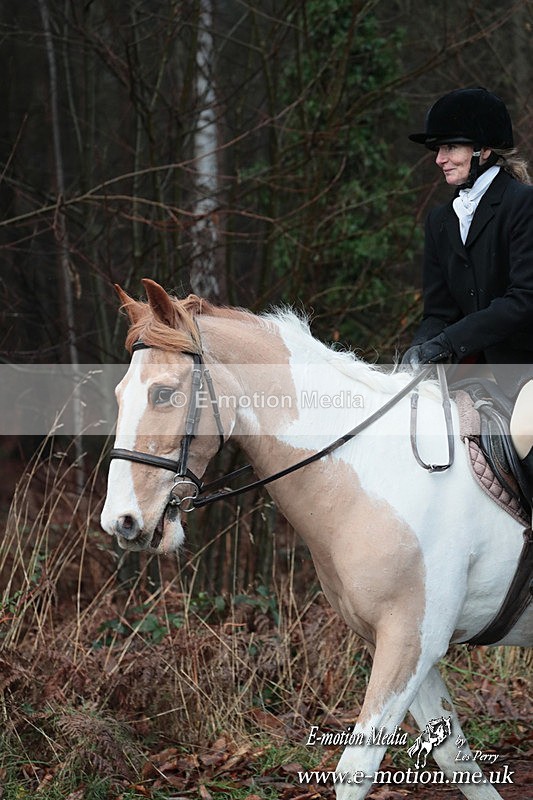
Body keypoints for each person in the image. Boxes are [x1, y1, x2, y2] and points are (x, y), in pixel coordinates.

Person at [402, 87, 533, 516]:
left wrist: (448, 342)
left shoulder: (522, 206)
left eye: (450, 147)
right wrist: (420, 352)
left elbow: (523, 300)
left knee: (528, 429)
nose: (439, 158)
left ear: (483, 150)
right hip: (478, 372)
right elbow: (439, 312)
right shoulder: (441, 221)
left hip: (527, 368)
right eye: (439, 148)